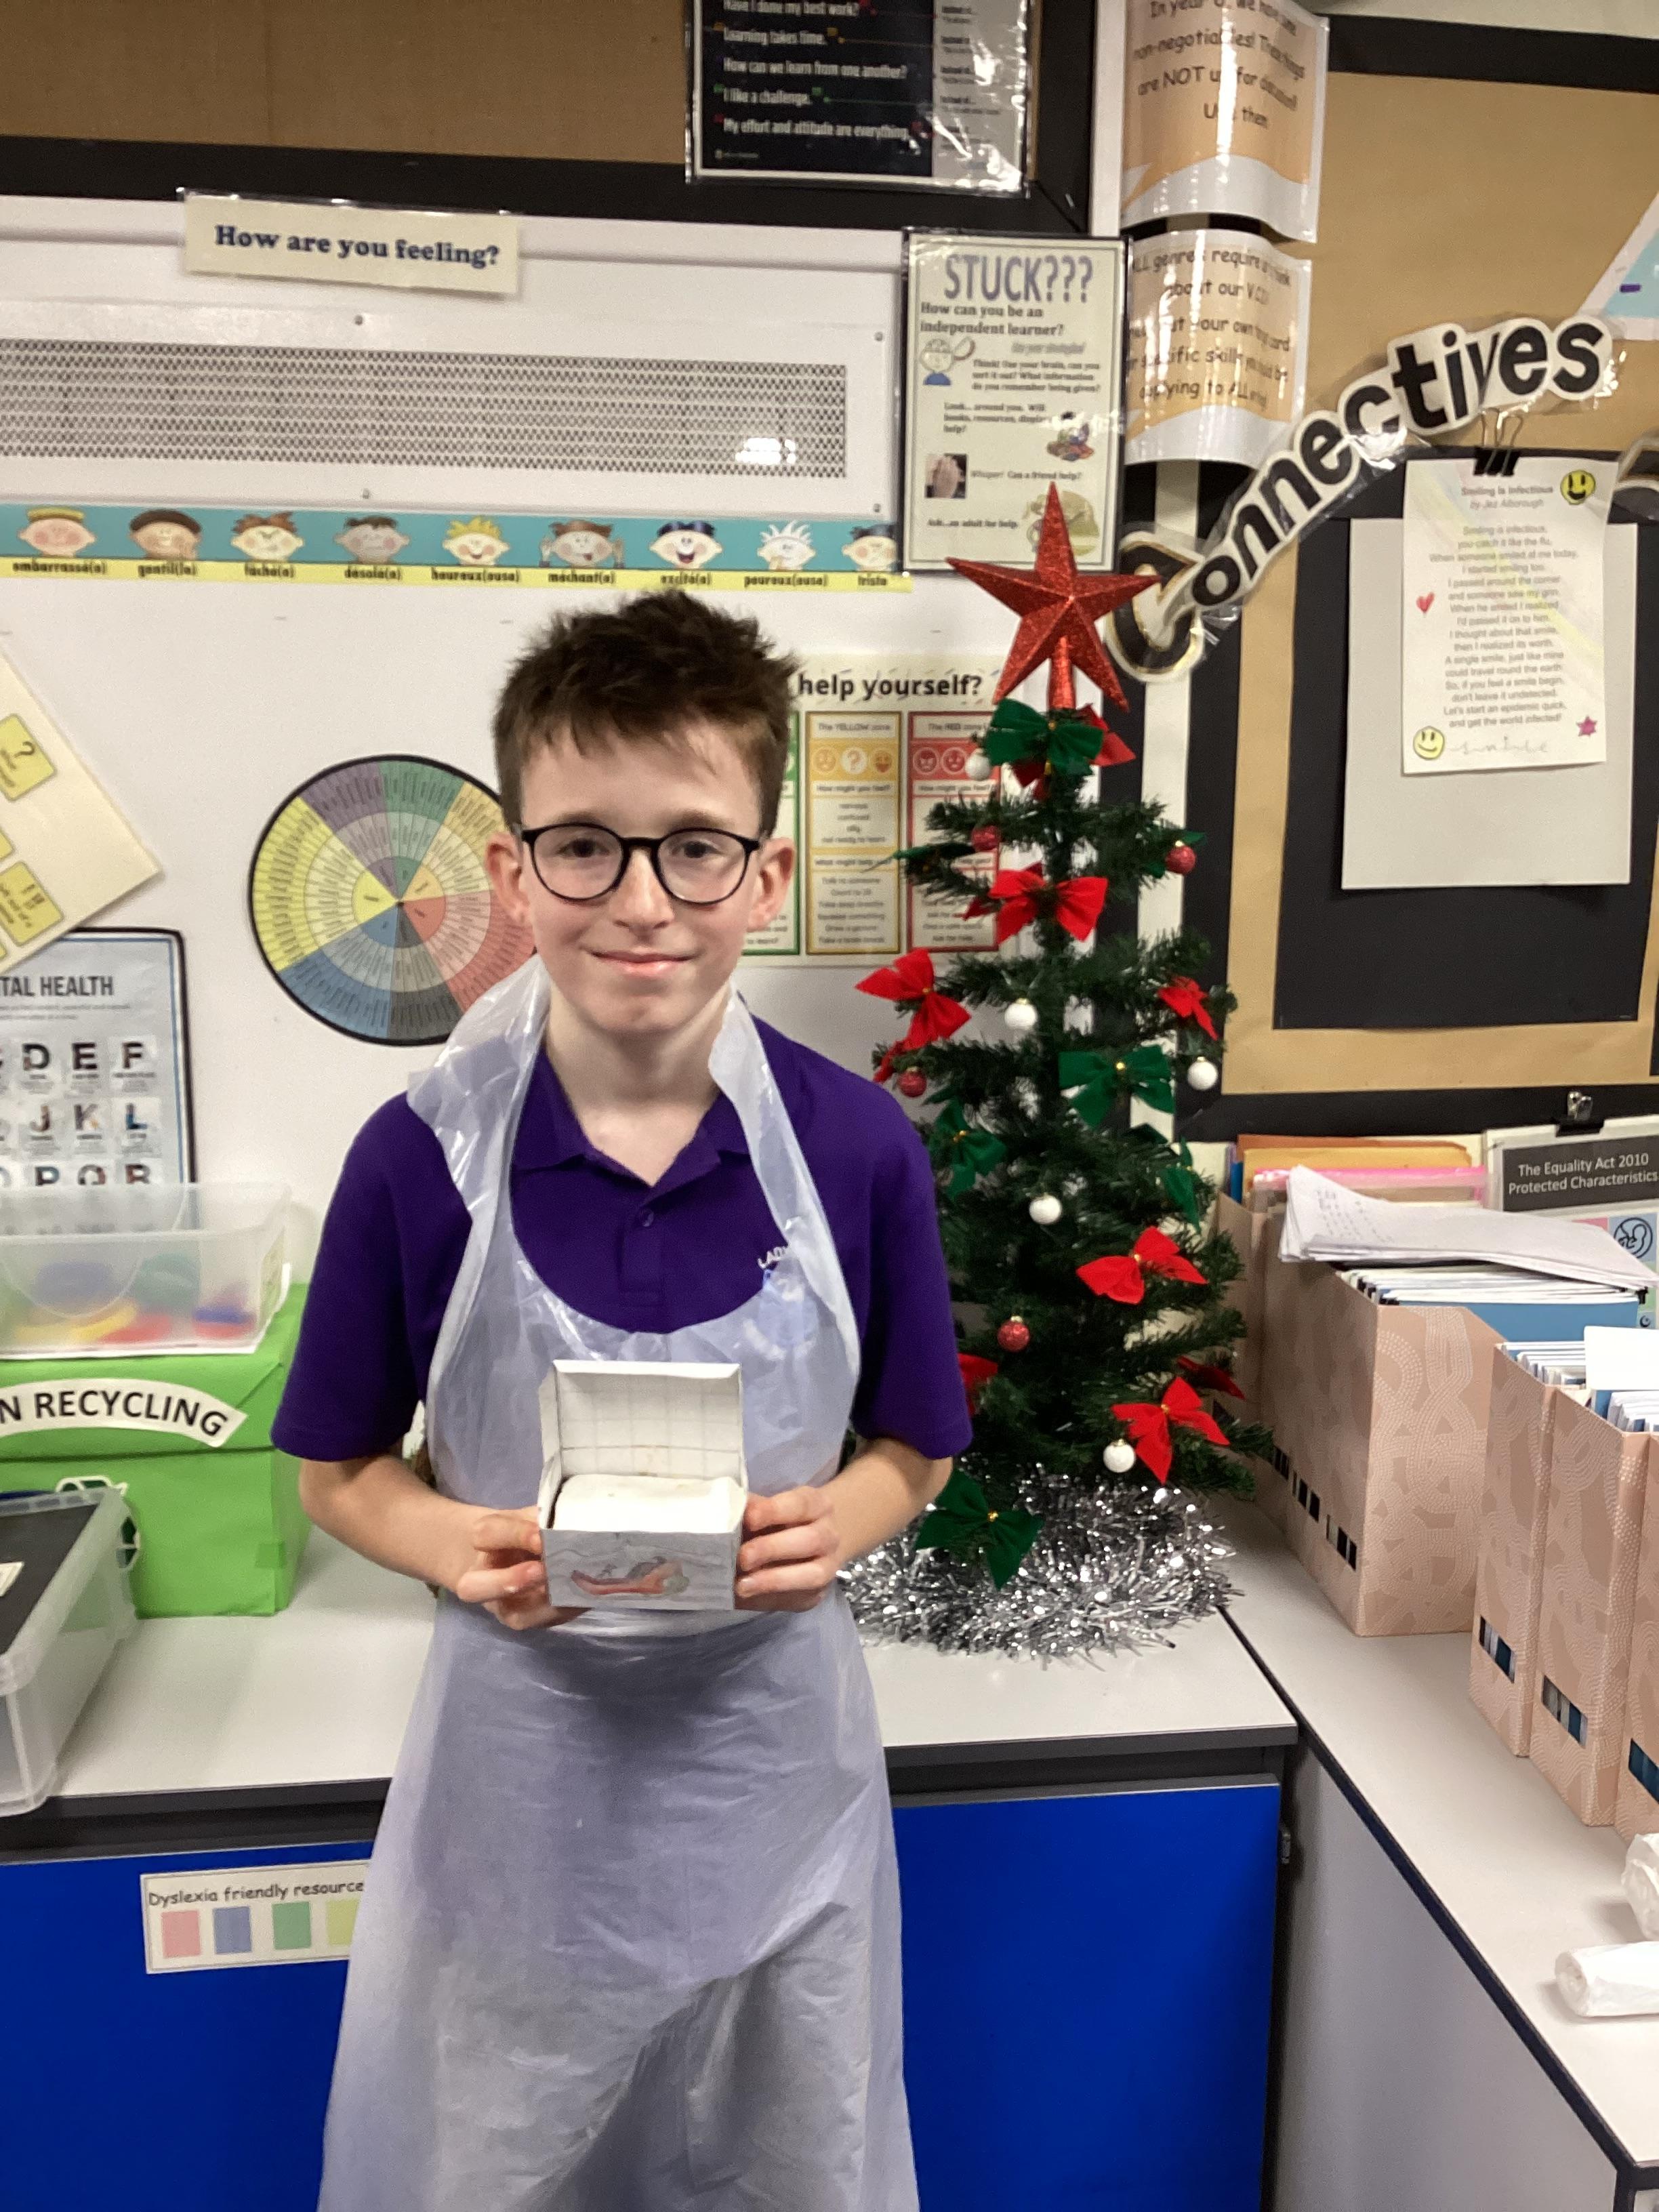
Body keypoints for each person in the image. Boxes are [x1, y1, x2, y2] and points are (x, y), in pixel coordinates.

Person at [274, 591, 971, 2211]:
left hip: (772, 1783)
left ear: (767, 876)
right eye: (585, 846)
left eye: (695, 848)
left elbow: (916, 1448)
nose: (642, 901)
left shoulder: (857, 1152)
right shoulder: (422, 1158)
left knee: (782, 2157)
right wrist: (451, 1545)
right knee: (497, 2156)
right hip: (523, 1791)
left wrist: (840, 1523)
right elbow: (337, 1472)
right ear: (513, 872)